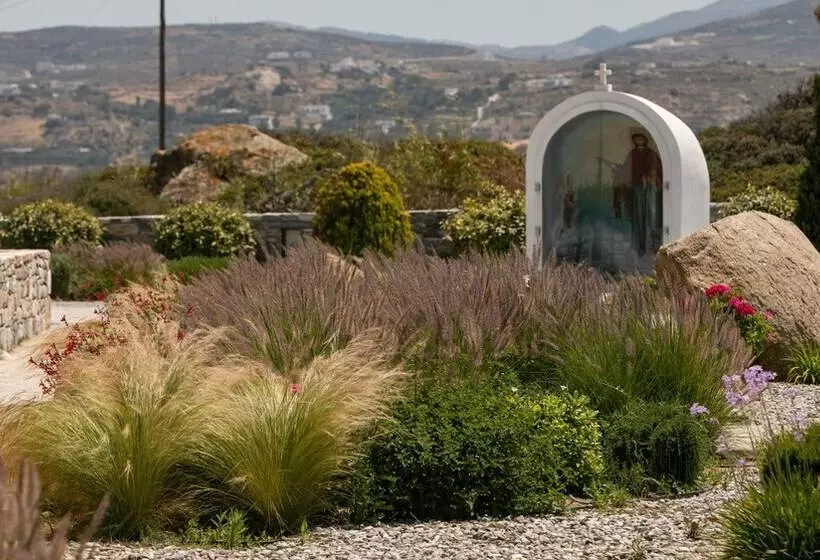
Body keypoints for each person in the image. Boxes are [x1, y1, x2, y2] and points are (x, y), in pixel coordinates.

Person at [612, 132, 663, 257]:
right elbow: (626, 168)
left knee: (651, 215)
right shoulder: (632, 154)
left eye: (641, 139)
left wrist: (649, 177)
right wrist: (617, 169)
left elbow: (656, 168)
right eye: (636, 139)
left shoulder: (651, 154)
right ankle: (639, 246)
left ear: (645, 140)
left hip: (650, 189)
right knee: (638, 216)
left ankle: (654, 245)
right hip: (638, 188)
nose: (639, 141)